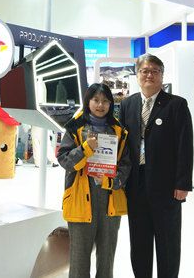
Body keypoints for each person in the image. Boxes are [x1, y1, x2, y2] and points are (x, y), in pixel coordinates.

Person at [119, 53, 193, 278]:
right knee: (139, 240)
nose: (149, 75)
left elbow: (185, 146)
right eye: (144, 71)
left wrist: (183, 183)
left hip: (167, 185)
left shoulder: (176, 104)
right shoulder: (128, 104)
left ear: (162, 75)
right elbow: (121, 144)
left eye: (154, 71)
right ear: (137, 75)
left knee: (168, 241)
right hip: (135, 183)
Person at [57, 83, 131, 278]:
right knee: (79, 259)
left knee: (107, 258)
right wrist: (85, 149)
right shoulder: (74, 127)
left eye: (105, 101)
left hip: (110, 201)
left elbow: (125, 165)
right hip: (80, 199)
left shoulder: (119, 130)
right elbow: (64, 160)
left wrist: (112, 181)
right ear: (88, 101)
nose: (100, 105)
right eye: (96, 100)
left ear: (111, 104)